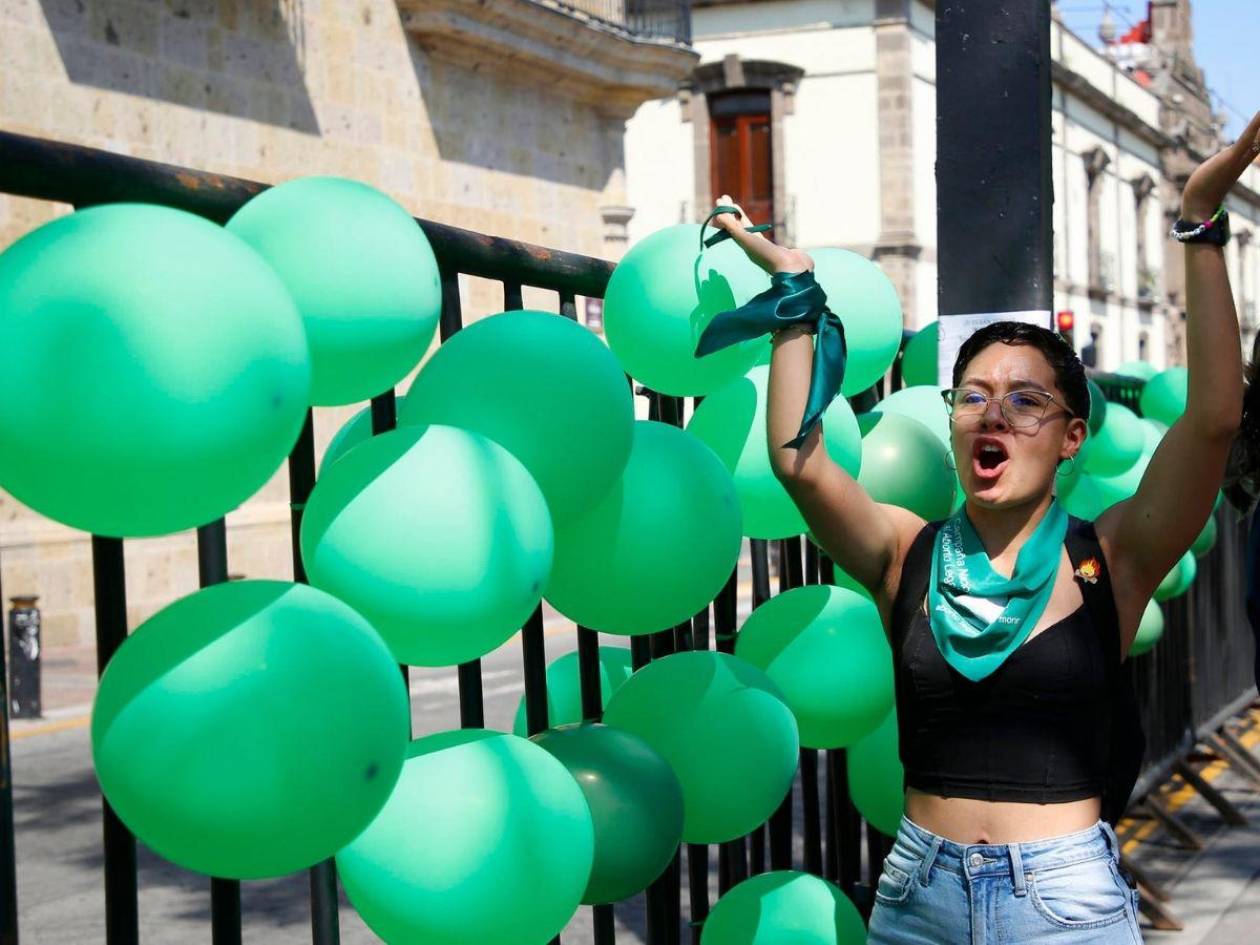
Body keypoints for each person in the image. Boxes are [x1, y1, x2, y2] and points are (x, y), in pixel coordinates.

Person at [705, 109, 1258, 943]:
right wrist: (793, 288)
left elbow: (1215, 418)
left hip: (1064, 904)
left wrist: (1199, 222)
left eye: (1026, 399)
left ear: (1074, 435)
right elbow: (799, 462)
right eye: (973, 396)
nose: (992, 412)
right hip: (917, 896)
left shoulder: (1112, 554)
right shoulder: (904, 552)